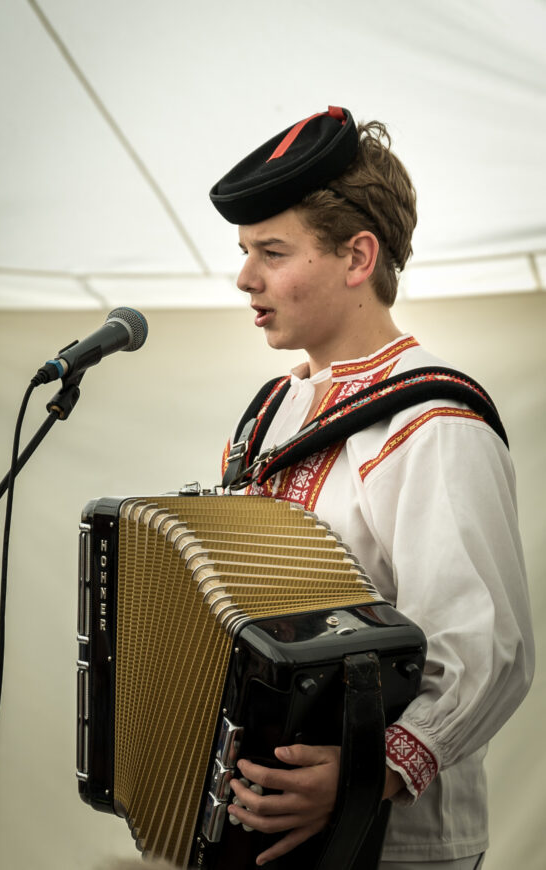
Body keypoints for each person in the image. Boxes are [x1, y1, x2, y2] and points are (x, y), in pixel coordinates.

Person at [209, 107, 534, 869]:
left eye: (272, 251)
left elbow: (486, 646)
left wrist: (372, 770)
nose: (245, 277)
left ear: (358, 257)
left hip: (396, 848)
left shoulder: (433, 424)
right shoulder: (265, 419)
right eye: (244, 251)